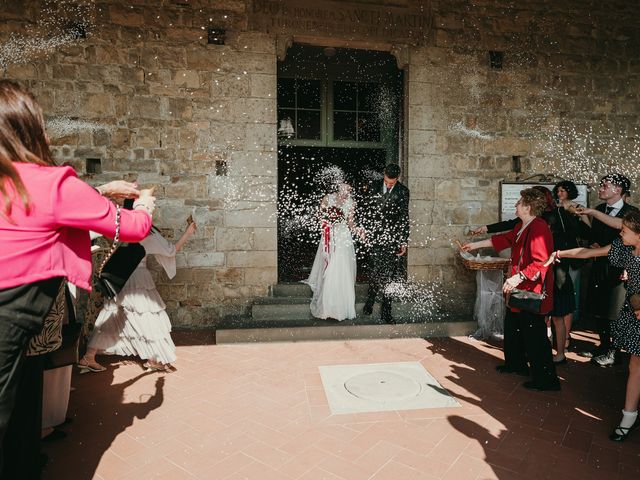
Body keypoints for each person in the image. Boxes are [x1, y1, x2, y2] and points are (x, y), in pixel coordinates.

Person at [0, 79, 154, 478]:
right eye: (40, 124)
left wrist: (100, 189)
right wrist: (147, 205)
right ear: (25, 130)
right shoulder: (49, 181)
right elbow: (132, 227)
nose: (49, 134)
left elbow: (41, 209)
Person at [547, 209, 640, 441]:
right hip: (635, 314)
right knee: (635, 365)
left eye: (624, 231)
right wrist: (560, 253)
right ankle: (628, 418)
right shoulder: (625, 248)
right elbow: (588, 253)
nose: (620, 234)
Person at [463, 188, 560, 391]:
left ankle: (546, 380)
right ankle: (515, 364)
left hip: (531, 291)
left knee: (535, 335)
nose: (515, 206)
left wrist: (518, 277)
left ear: (528, 207)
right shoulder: (523, 226)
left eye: (519, 203)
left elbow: (542, 262)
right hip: (519, 290)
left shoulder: (539, 228)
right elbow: (504, 239)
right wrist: (474, 245)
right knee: (514, 327)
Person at [79, 214, 197, 372]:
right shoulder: (148, 233)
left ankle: (89, 356)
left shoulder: (122, 226)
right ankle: (154, 358)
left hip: (119, 275)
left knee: (112, 313)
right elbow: (171, 251)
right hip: (137, 278)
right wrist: (188, 232)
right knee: (147, 316)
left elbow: (106, 238)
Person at [580, 174, 637, 366]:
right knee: (599, 308)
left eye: (606, 185)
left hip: (621, 269)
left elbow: (631, 241)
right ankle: (603, 346)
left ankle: (613, 352)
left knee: (615, 310)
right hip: (600, 266)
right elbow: (595, 235)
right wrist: (594, 244)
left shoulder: (631, 213)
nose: (601, 188)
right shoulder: (599, 209)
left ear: (618, 190)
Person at [303, 182, 362, 320]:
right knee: (329, 267)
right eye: (345, 187)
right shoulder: (327, 198)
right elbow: (320, 217)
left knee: (341, 267)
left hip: (343, 237)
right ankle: (328, 306)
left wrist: (358, 230)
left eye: (350, 189)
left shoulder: (351, 202)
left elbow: (351, 222)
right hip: (330, 235)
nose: (347, 191)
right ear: (339, 186)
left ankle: (342, 306)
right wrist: (328, 222)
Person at [361, 164, 410, 324]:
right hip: (374, 236)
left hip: (393, 238)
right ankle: (370, 299)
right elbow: (365, 210)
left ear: (398, 178)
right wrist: (363, 229)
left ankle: (386, 312)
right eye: (387, 182)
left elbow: (404, 217)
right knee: (375, 270)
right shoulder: (373, 186)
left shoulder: (403, 191)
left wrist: (403, 240)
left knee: (390, 275)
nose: (389, 185)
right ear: (384, 175)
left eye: (392, 183)